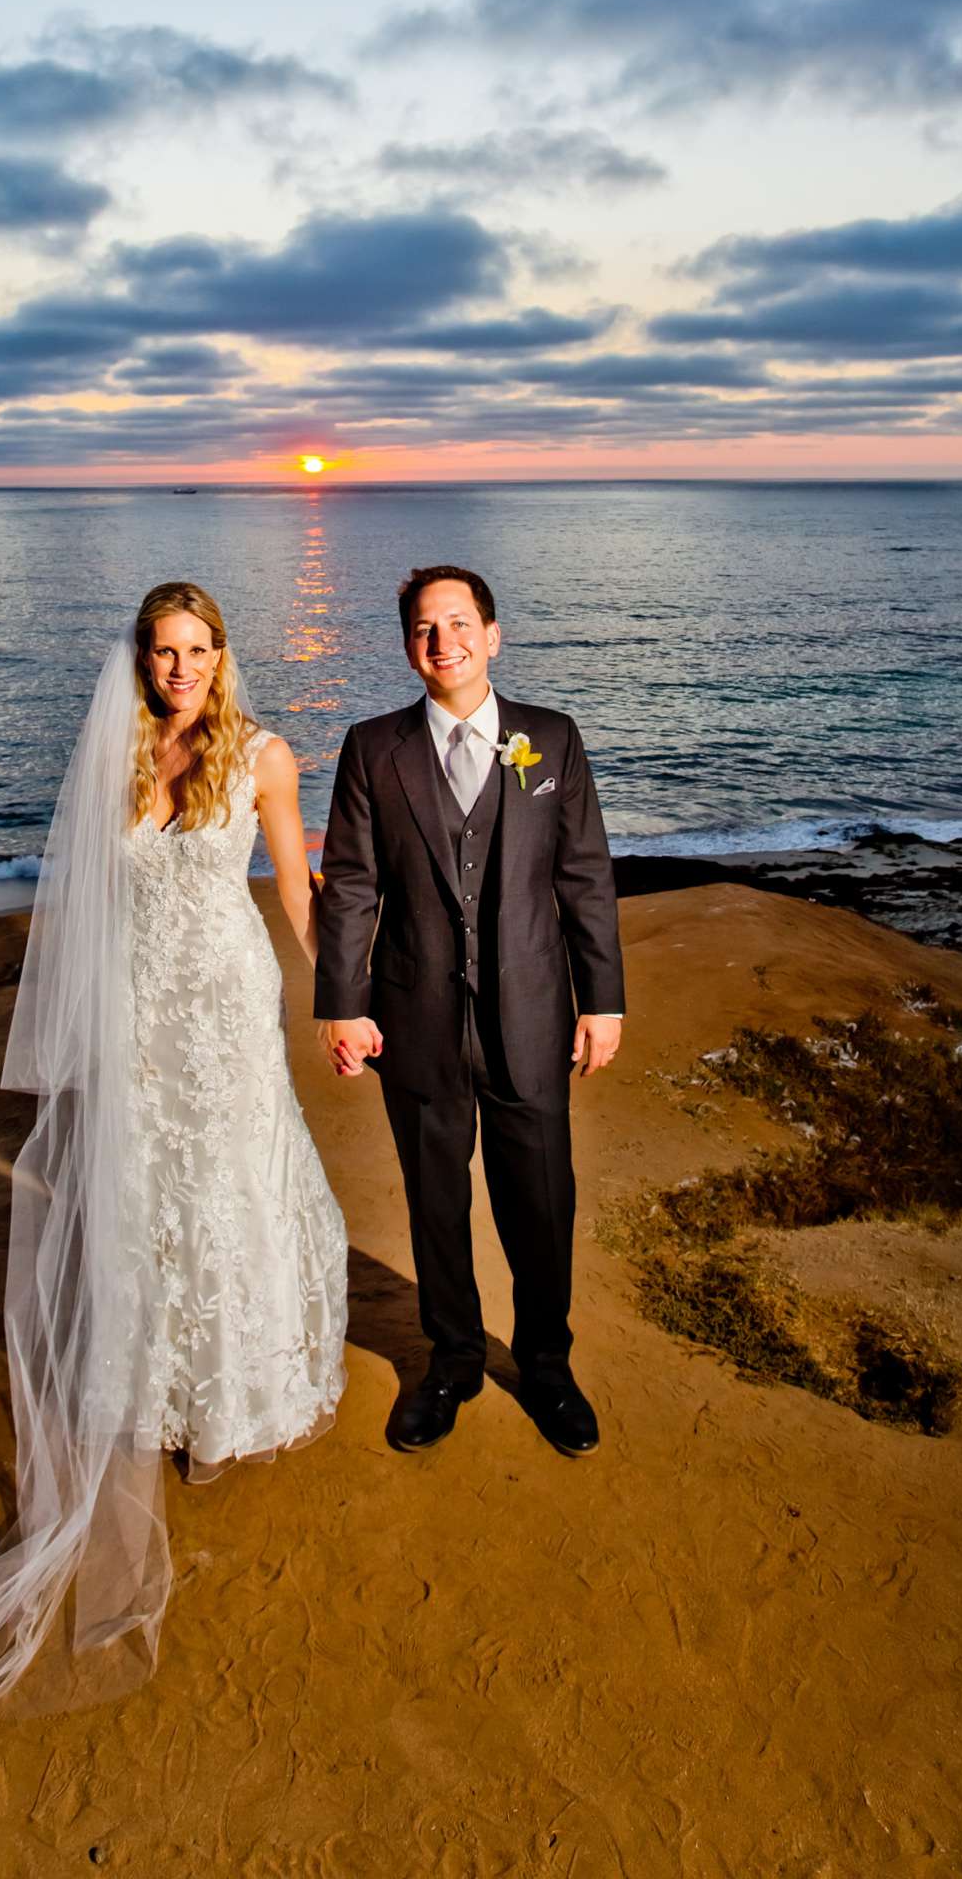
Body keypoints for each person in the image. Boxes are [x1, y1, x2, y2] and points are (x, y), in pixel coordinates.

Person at [0, 581, 347, 1756]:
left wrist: (351, 1002)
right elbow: (85, 911)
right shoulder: (113, 756)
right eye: (162, 652)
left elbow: (300, 897)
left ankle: (227, 1405)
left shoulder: (266, 757)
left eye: (197, 650)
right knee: (141, 1199)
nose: (179, 669)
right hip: (137, 1023)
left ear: (225, 655)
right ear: (142, 659)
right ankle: (154, 1381)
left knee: (230, 1193)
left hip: (224, 1011)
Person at [316, 565, 623, 1457]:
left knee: (539, 1198)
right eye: (422, 627)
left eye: (457, 624)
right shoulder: (372, 748)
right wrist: (342, 1004)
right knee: (434, 1202)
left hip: (531, 1012)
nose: (440, 641)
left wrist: (600, 1000)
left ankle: (547, 1365)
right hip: (414, 1018)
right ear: (406, 644)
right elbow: (351, 888)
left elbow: (585, 880)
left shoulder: (550, 740)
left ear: (492, 635)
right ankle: (450, 1361)